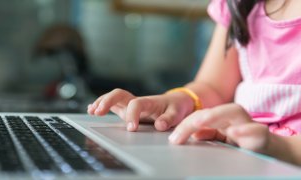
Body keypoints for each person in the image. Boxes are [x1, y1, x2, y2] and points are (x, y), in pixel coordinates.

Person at [87, 0, 301, 166]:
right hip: (237, 157)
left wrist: (281, 147)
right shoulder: (240, 5)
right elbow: (213, 87)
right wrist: (175, 102)